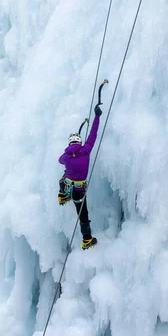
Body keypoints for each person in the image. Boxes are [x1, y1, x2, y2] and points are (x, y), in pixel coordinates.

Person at [58, 103, 102, 250]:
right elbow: (93, 134)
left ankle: (63, 195)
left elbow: (60, 160)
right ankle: (87, 239)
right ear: (80, 142)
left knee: (64, 178)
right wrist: (97, 116)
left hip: (69, 183)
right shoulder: (86, 150)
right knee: (82, 213)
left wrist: (68, 156)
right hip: (79, 190)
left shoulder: (65, 156)